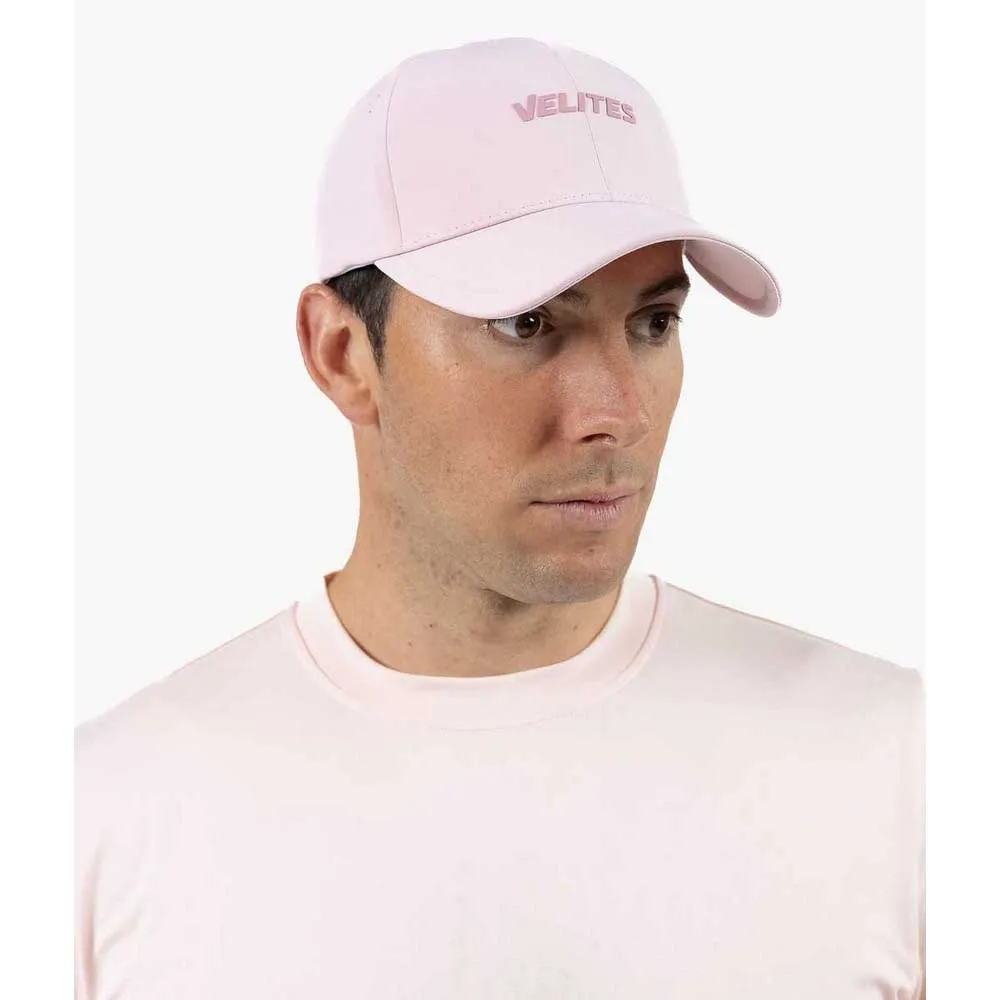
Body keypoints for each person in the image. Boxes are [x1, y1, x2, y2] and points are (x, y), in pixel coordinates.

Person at [75, 36, 925, 1000]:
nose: (618, 413)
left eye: (653, 323)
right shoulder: (103, 822)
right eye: (527, 323)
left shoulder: (900, 769)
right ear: (342, 353)